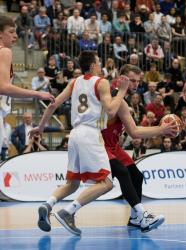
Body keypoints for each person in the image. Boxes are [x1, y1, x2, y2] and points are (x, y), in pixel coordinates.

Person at [29, 51, 131, 236]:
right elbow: (110, 110)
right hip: (90, 134)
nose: (101, 66)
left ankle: (47, 204)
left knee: (72, 184)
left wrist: (41, 127)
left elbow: (53, 104)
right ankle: (68, 212)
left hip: (74, 134)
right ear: (92, 65)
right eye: (99, 62)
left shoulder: (74, 82)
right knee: (106, 183)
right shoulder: (102, 82)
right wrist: (122, 91)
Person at [102, 64, 178, 229]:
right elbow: (135, 132)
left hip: (114, 146)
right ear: (121, 78)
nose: (136, 84)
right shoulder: (115, 97)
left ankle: (135, 218)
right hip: (101, 146)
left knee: (136, 177)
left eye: (138, 81)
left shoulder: (122, 98)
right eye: (132, 80)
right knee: (112, 179)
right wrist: (162, 129)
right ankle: (141, 215)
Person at [0, 15, 54, 158]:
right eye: (11, 32)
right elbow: (4, 87)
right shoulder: (4, 51)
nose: (15, 36)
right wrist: (37, 94)